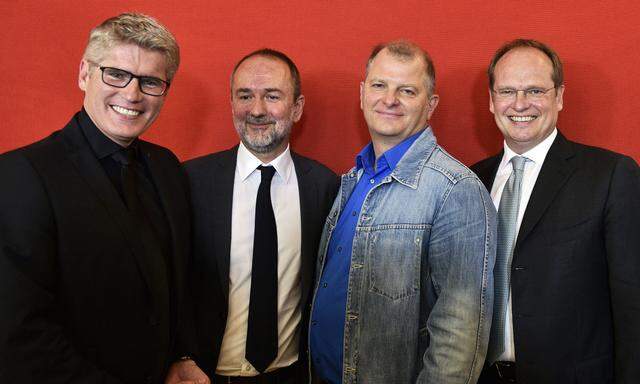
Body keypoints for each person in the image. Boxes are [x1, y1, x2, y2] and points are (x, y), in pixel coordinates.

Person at [0, 13, 208, 384]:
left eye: (150, 82)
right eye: (116, 74)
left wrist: (183, 354)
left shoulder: (167, 168)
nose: (132, 94)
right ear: (84, 74)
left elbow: (179, 282)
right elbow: (19, 335)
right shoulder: (20, 176)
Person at [309, 40, 496, 384]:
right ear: (363, 93)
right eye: (380, 85)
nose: (390, 99)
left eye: (407, 90)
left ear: (430, 104)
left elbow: (459, 333)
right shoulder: (352, 179)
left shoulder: (456, 189)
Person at [473, 39, 640, 384]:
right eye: (507, 91)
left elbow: (632, 304)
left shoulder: (610, 175)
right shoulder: (470, 181)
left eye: (535, 90)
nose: (520, 104)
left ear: (559, 96)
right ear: (491, 101)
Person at [184, 48, 339, 383]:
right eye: (245, 96)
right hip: (206, 375)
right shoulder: (189, 182)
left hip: (293, 374)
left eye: (272, 96)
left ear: (297, 108)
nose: (256, 110)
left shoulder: (326, 187)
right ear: (231, 103)